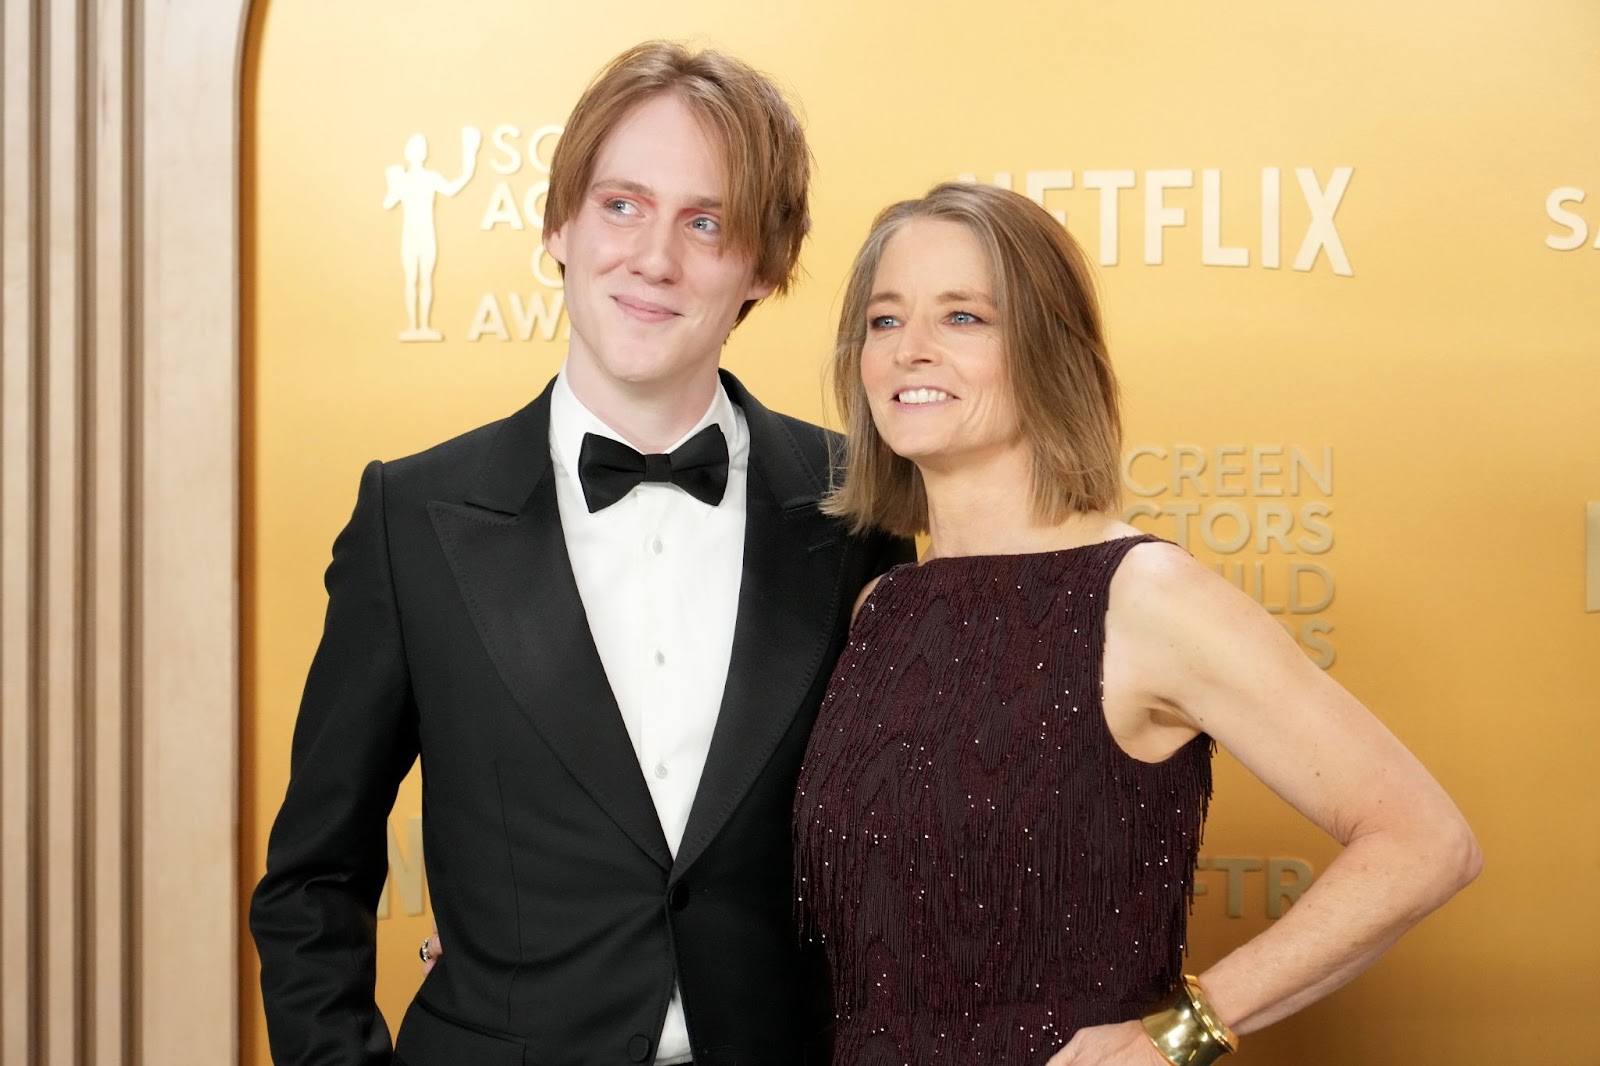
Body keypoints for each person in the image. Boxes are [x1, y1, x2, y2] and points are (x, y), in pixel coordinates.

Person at [250, 41, 913, 1066]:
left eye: (707, 222)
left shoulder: (856, 509)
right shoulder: (411, 514)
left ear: (766, 266)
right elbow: (312, 881)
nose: (654, 258)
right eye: (620, 206)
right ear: (556, 225)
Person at [793, 182, 1481, 1066]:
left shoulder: (1142, 595)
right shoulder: (882, 608)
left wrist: (1181, 1033)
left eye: (963, 318)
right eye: (885, 322)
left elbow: (1426, 841)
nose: (910, 351)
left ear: (1048, 349)